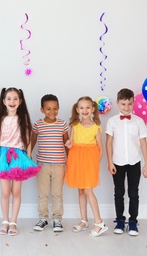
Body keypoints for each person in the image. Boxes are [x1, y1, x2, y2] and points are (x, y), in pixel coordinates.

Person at [0, 87, 41, 236]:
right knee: (5, 192)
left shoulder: (22, 119)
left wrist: (28, 157)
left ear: (20, 101)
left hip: (19, 157)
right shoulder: (0, 119)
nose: (12, 101)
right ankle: (5, 221)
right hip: (4, 156)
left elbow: (28, 140)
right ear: (4, 101)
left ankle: (13, 222)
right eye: (9, 98)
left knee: (16, 191)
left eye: (15, 98)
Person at [105, 88, 147, 236]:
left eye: (129, 104)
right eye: (123, 104)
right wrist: (110, 162)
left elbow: (143, 143)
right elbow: (108, 142)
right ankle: (119, 220)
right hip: (117, 162)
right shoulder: (112, 121)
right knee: (119, 192)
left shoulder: (138, 121)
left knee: (133, 193)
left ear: (133, 103)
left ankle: (133, 221)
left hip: (134, 161)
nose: (126, 107)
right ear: (118, 103)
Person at [64, 96, 108, 237]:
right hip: (76, 160)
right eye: (81, 107)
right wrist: (69, 145)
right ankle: (84, 220)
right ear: (77, 110)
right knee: (81, 191)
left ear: (93, 109)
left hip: (90, 162)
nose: (84, 110)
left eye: (87, 107)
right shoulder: (74, 126)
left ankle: (99, 223)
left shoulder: (96, 128)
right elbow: (71, 143)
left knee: (88, 191)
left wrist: (96, 163)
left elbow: (100, 148)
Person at [31, 94, 69, 232]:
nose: (52, 112)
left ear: (58, 108)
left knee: (57, 193)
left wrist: (69, 159)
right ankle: (43, 218)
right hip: (42, 165)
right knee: (43, 193)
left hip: (59, 164)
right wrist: (27, 155)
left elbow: (66, 142)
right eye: (48, 109)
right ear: (42, 110)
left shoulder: (62, 124)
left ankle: (57, 219)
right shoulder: (38, 124)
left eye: (55, 108)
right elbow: (32, 141)